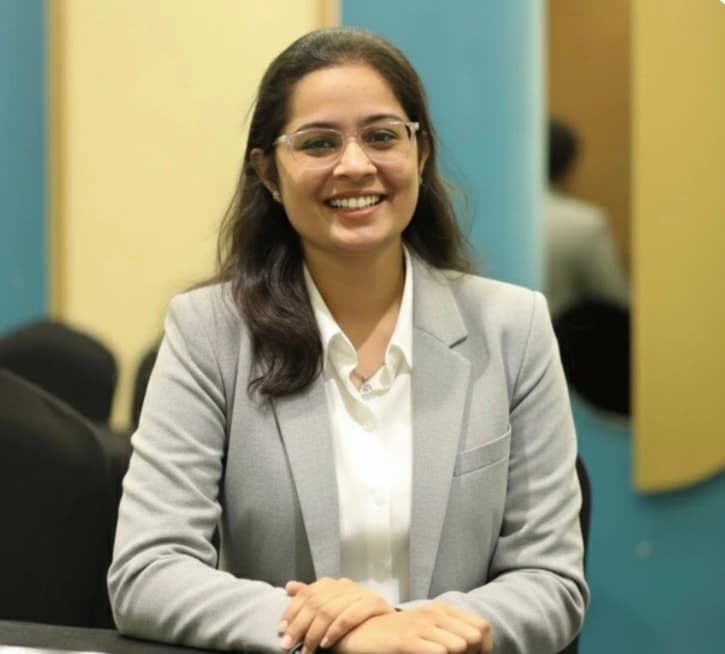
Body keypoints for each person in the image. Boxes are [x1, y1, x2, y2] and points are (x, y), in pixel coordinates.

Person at [108, 27, 588, 654]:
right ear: (269, 174)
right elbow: (147, 572)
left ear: (421, 154)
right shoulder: (209, 332)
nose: (355, 164)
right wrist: (344, 635)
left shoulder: (514, 328)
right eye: (318, 143)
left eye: (383, 136)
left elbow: (551, 581)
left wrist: (407, 629)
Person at [544, 118, 630, 319]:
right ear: (568, 164)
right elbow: (614, 300)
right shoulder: (585, 224)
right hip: (565, 344)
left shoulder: (486, 218)